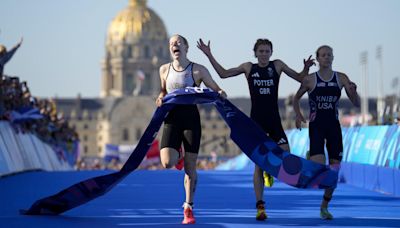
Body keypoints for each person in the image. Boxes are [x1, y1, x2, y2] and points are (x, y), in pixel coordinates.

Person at [197, 38, 314, 220]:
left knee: (286, 156)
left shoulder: (277, 65)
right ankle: (260, 206)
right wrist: (208, 54)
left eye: (267, 51)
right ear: (255, 53)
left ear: (271, 53)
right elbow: (223, 74)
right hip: (257, 123)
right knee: (258, 166)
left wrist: (306, 67)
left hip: (274, 122)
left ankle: (270, 171)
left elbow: (300, 78)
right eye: (261, 51)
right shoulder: (248, 68)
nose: (264, 55)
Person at [156, 34, 227, 225]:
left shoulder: (198, 70)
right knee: (167, 163)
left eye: (178, 42)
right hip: (171, 118)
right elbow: (163, 91)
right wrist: (160, 97)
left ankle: (188, 207)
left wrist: (220, 93)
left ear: (186, 48)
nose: (174, 45)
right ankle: (177, 153)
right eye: (171, 43)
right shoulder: (164, 70)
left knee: (190, 167)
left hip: (191, 119)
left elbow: (215, 88)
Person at [293, 45, 360, 220]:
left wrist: (354, 92)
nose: (327, 57)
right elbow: (296, 98)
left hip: (333, 127)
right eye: (323, 55)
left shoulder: (341, 78)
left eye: (329, 55)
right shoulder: (309, 80)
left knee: (334, 172)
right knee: (320, 172)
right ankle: (311, 156)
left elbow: (356, 103)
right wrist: (298, 115)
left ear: (332, 57)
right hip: (316, 127)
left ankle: (324, 206)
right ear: (318, 59)